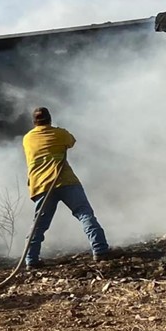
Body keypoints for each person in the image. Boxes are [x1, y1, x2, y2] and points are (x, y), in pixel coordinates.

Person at [23, 107, 110, 267]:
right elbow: (71, 141)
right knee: (84, 214)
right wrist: (58, 130)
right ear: (50, 119)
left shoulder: (27, 138)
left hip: (41, 185)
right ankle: (100, 250)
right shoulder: (60, 133)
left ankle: (31, 260)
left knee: (39, 225)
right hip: (65, 181)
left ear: (34, 122)